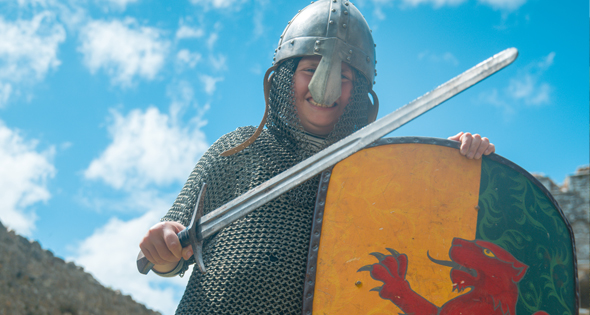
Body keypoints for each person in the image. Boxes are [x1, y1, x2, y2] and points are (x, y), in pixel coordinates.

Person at [138, 0, 495, 313]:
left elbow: (426, 235)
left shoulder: (374, 175)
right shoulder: (238, 150)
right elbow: (168, 257)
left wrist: (455, 164)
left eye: (343, 75)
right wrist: (163, 247)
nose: (324, 87)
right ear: (285, 76)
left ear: (358, 93)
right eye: (311, 69)